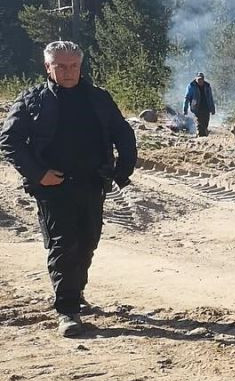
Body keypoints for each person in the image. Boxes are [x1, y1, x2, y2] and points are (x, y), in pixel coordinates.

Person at [0, 41, 136, 337]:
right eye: (60, 66)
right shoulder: (32, 99)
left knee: (88, 241)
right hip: (53, 187)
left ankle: (76, 292)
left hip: (91, 183)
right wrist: (39, 174)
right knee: (63, 245)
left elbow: (122, 133)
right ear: (47, 67)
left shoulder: (98, 98)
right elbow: (10, 141)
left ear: (80, 65)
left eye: (73, 65)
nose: (68, 71)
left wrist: (123, 169)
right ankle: (67, 310)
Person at [183, 71, 216, 137]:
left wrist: (212, 108)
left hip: (206, 108)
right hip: (196, 108)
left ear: (203, 79)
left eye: (202, 79)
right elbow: (187, 98)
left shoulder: (207, 86)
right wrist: (185, 109)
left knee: (205, 124)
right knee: (199, 124)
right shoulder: (191, 86)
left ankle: (204, 135)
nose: (200, 81)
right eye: (199, 79)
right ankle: (201, 136)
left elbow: (210, 97)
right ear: (196, 79)